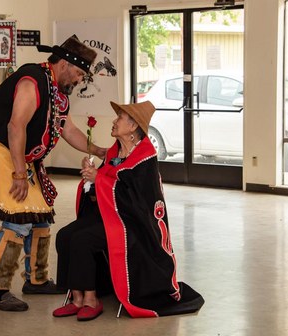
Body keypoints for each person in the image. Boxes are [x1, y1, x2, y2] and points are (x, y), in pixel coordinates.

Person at [0, 35, 106, 312]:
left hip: (23, 156)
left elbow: (66, 128)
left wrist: (99, 150)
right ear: (66, 63)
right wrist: (20, 175)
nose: (80, 80)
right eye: (80, 73)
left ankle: (37, 279)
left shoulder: (56, 90)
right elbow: (15, 127)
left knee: (41, 214)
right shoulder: (32, 80)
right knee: (19, 218)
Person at [53, 101, 205, 321]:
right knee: (65, 235)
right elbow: (103, 192)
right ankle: (76, 298)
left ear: (133, 126)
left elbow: (137, 203)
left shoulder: (145, 159)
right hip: (109, 216)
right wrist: (92, 181)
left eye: (120, 118)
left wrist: (101, 180)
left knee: (83, 239)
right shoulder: (114, 152)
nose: (114, 121)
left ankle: (91, 300)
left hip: (132, 226)